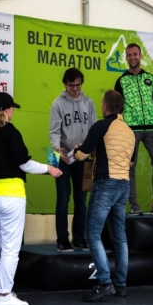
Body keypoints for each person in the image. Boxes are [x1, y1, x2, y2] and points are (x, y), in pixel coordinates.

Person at [0, 92, 62, 305]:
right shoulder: (11, 132)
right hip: (10, 195)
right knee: (10, 248)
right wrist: (49, 169)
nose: (13, 111)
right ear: (7, 111)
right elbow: (24, 164)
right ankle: (4, 296)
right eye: (12, 108)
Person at [74, 90, 135, 302]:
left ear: (105, 106)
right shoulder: (129, 131)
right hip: (124, 185)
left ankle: (104, 283)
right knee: (120, 238)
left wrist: (78, 149)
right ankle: (121, 285)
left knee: (92, 234)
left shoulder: (101, 126)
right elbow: (131, 162)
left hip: (105, 184)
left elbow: (81, 155)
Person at [114, 43, 153, 216]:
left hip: (152, 130)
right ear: (126, 57)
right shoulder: (121, 81)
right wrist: (121, 129)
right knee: (130, 167)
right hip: (130, 131)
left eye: (135, 54)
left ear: (140, 55)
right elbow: (116, 107)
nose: (132, 57)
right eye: (129, 55)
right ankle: (133, 204)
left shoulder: (150, 78)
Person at [49, 68, 97, 252]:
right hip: (63, 156)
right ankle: (62, 239)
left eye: (78, 85)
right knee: (63, 198)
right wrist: (56, 148)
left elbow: (93, 129)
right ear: (65, 84)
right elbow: (54, 131)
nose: (75, 89)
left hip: (83, 157)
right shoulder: (58, 104)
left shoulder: (89, 103)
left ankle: (79, 238)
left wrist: (90, 149)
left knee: (81, 200)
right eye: (71, 86)